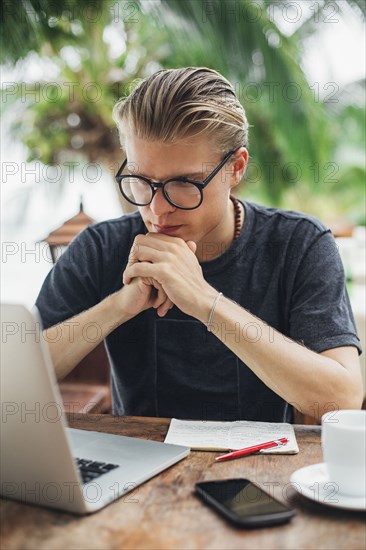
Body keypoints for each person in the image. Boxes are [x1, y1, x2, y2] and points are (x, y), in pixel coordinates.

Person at [36, 67, 363, 423]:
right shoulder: (101, 248)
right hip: (138, 469)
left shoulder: (299, 244)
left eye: (184, 184)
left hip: (260, 468)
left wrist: (205, 302)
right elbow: (12, 375)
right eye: (142, 181)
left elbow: (342, 399)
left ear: (235, 168)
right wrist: (119, 307)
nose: (157, 208)